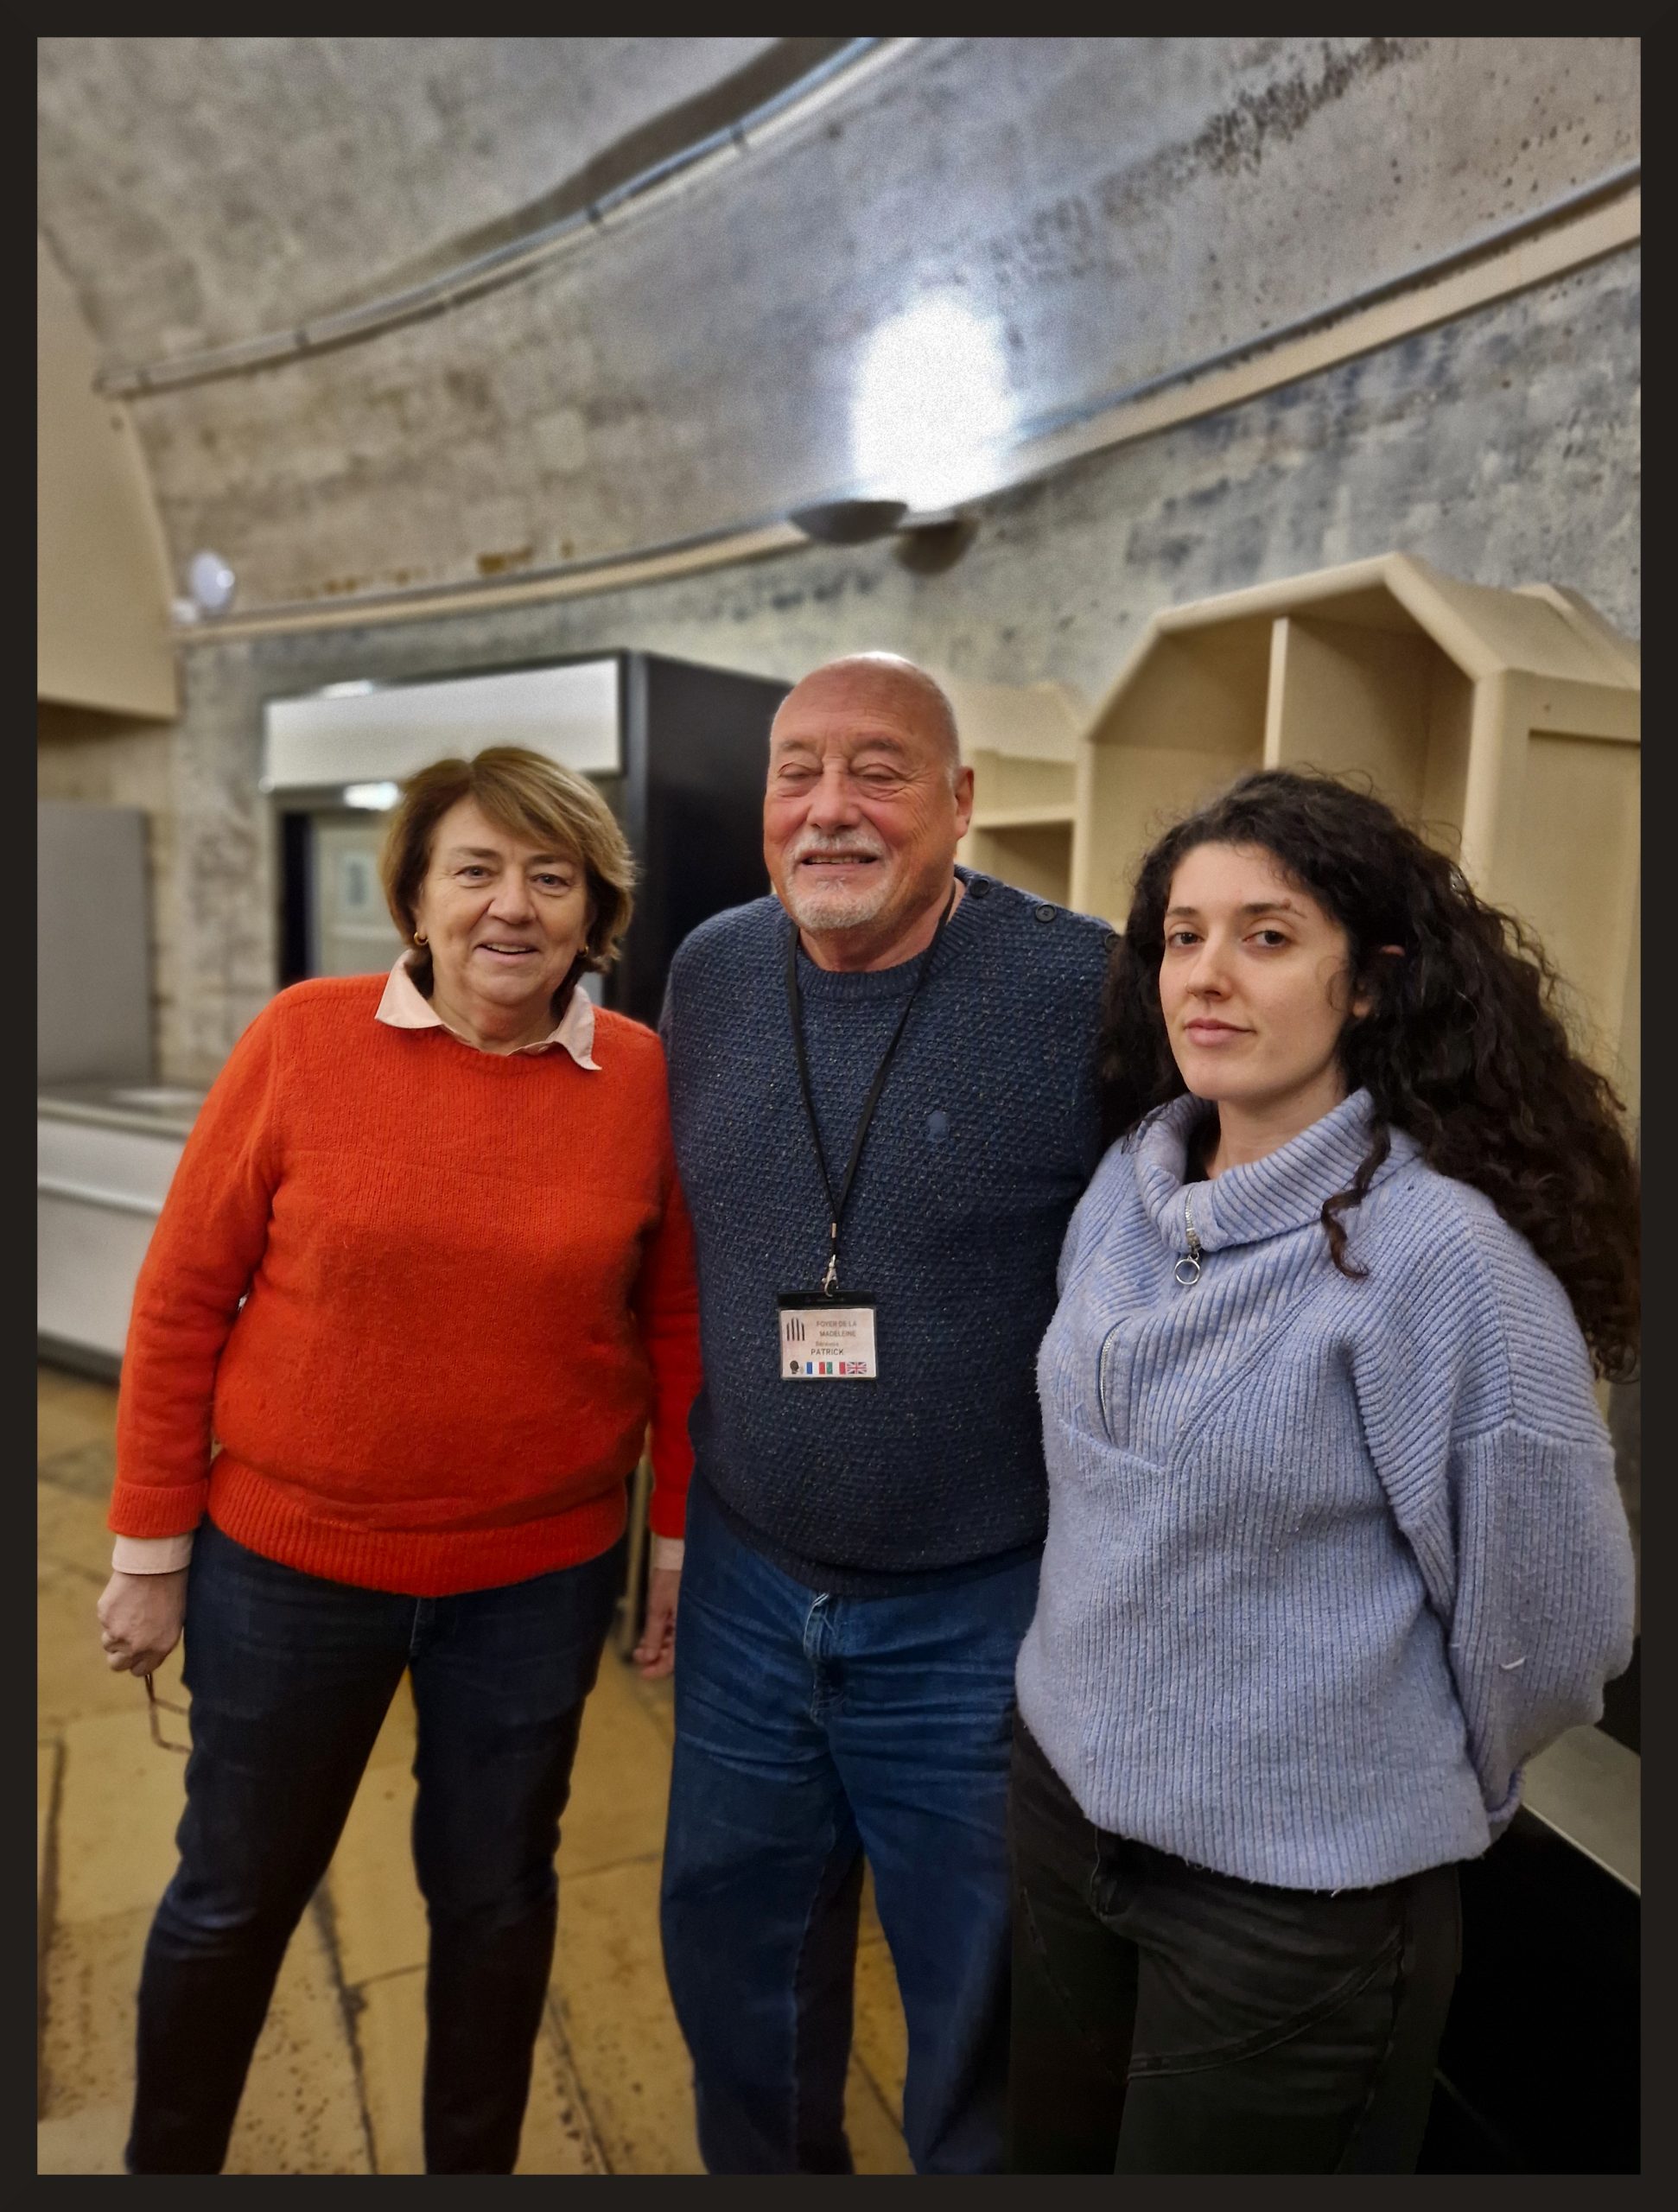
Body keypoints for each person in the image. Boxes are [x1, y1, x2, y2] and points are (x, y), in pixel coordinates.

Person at [1008, 766, 1638, 2175]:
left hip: (1289, 1898)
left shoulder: (1446, 1266)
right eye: (1182, 935)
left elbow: (1554, 1634)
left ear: (1368, 986)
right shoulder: (1129, 1182)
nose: (1207, 976)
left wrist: (1382, 1785)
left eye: (1267, 935)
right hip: (1066, 1814)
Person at [95, 745, 700, 2175]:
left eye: (550, 877)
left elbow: (672, 1321)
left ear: (593, 909)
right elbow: (183, 1298)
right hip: (288, 1569)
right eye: (475, 871)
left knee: (493, 1901)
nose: (512, 908)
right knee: (235, 1894)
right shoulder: (303, 1040)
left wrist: (669, 1545)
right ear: (415, 901)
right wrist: (149, 1551)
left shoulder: (639, 1077)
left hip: (535, 1579)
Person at [656, 652, 1110, 2174]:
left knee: (979, 2008)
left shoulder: (1090, 992)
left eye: (880, 771)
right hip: (745, 1581)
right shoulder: (711, 971)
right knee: (734, 1968)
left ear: (962, 803)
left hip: (983, 1610)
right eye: (798, 771)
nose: (829, 809)